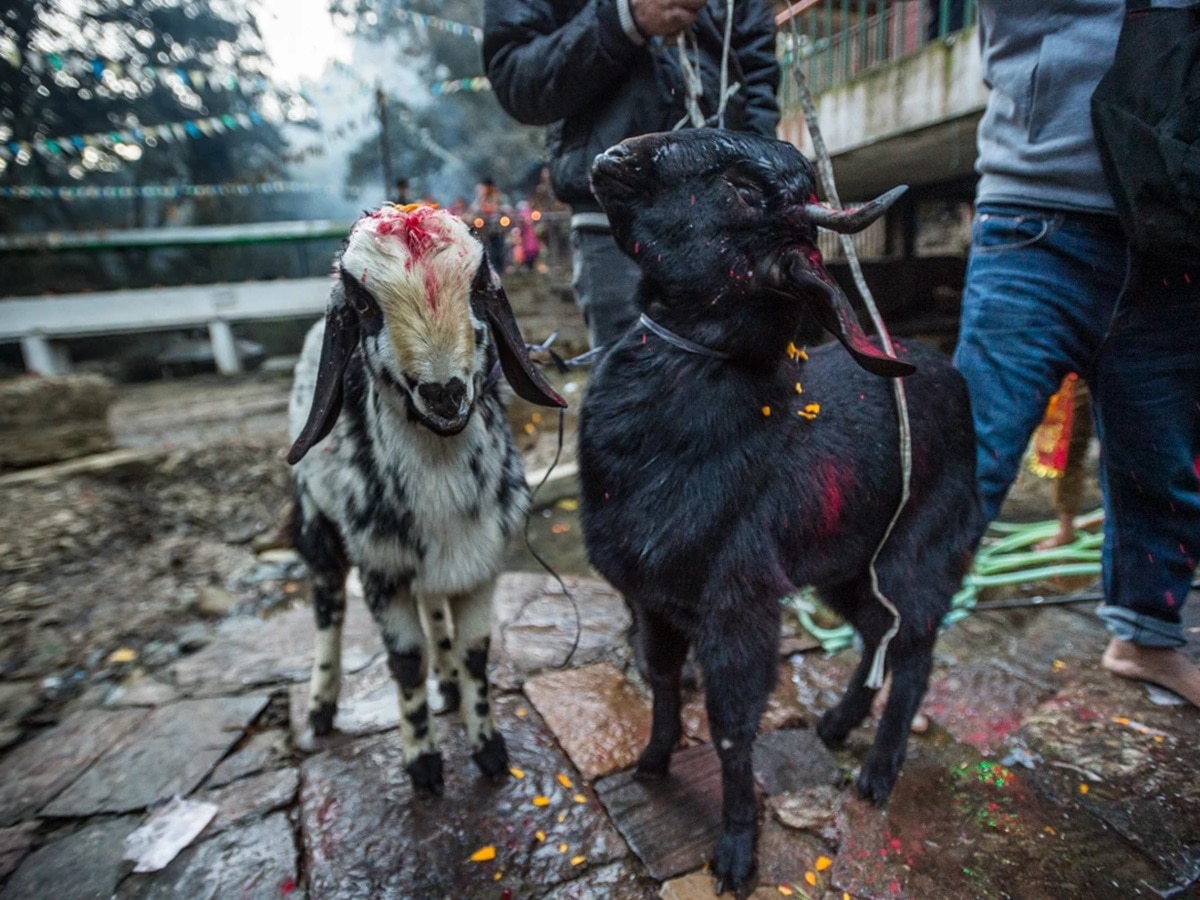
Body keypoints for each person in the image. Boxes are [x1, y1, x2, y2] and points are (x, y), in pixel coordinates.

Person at [955, 1, 1200, 706]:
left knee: (1164, 457)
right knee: (972, 454)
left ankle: (1148, 635)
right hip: (1039, 208)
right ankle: (893, 652)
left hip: (1173, 218)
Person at [482, 0, 780, 348]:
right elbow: (517, 79)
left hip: (727, 222)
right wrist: (625, 18)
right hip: (616, 222)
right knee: (637, 389)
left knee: (743, 388)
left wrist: (754, 188)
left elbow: (759, 78)